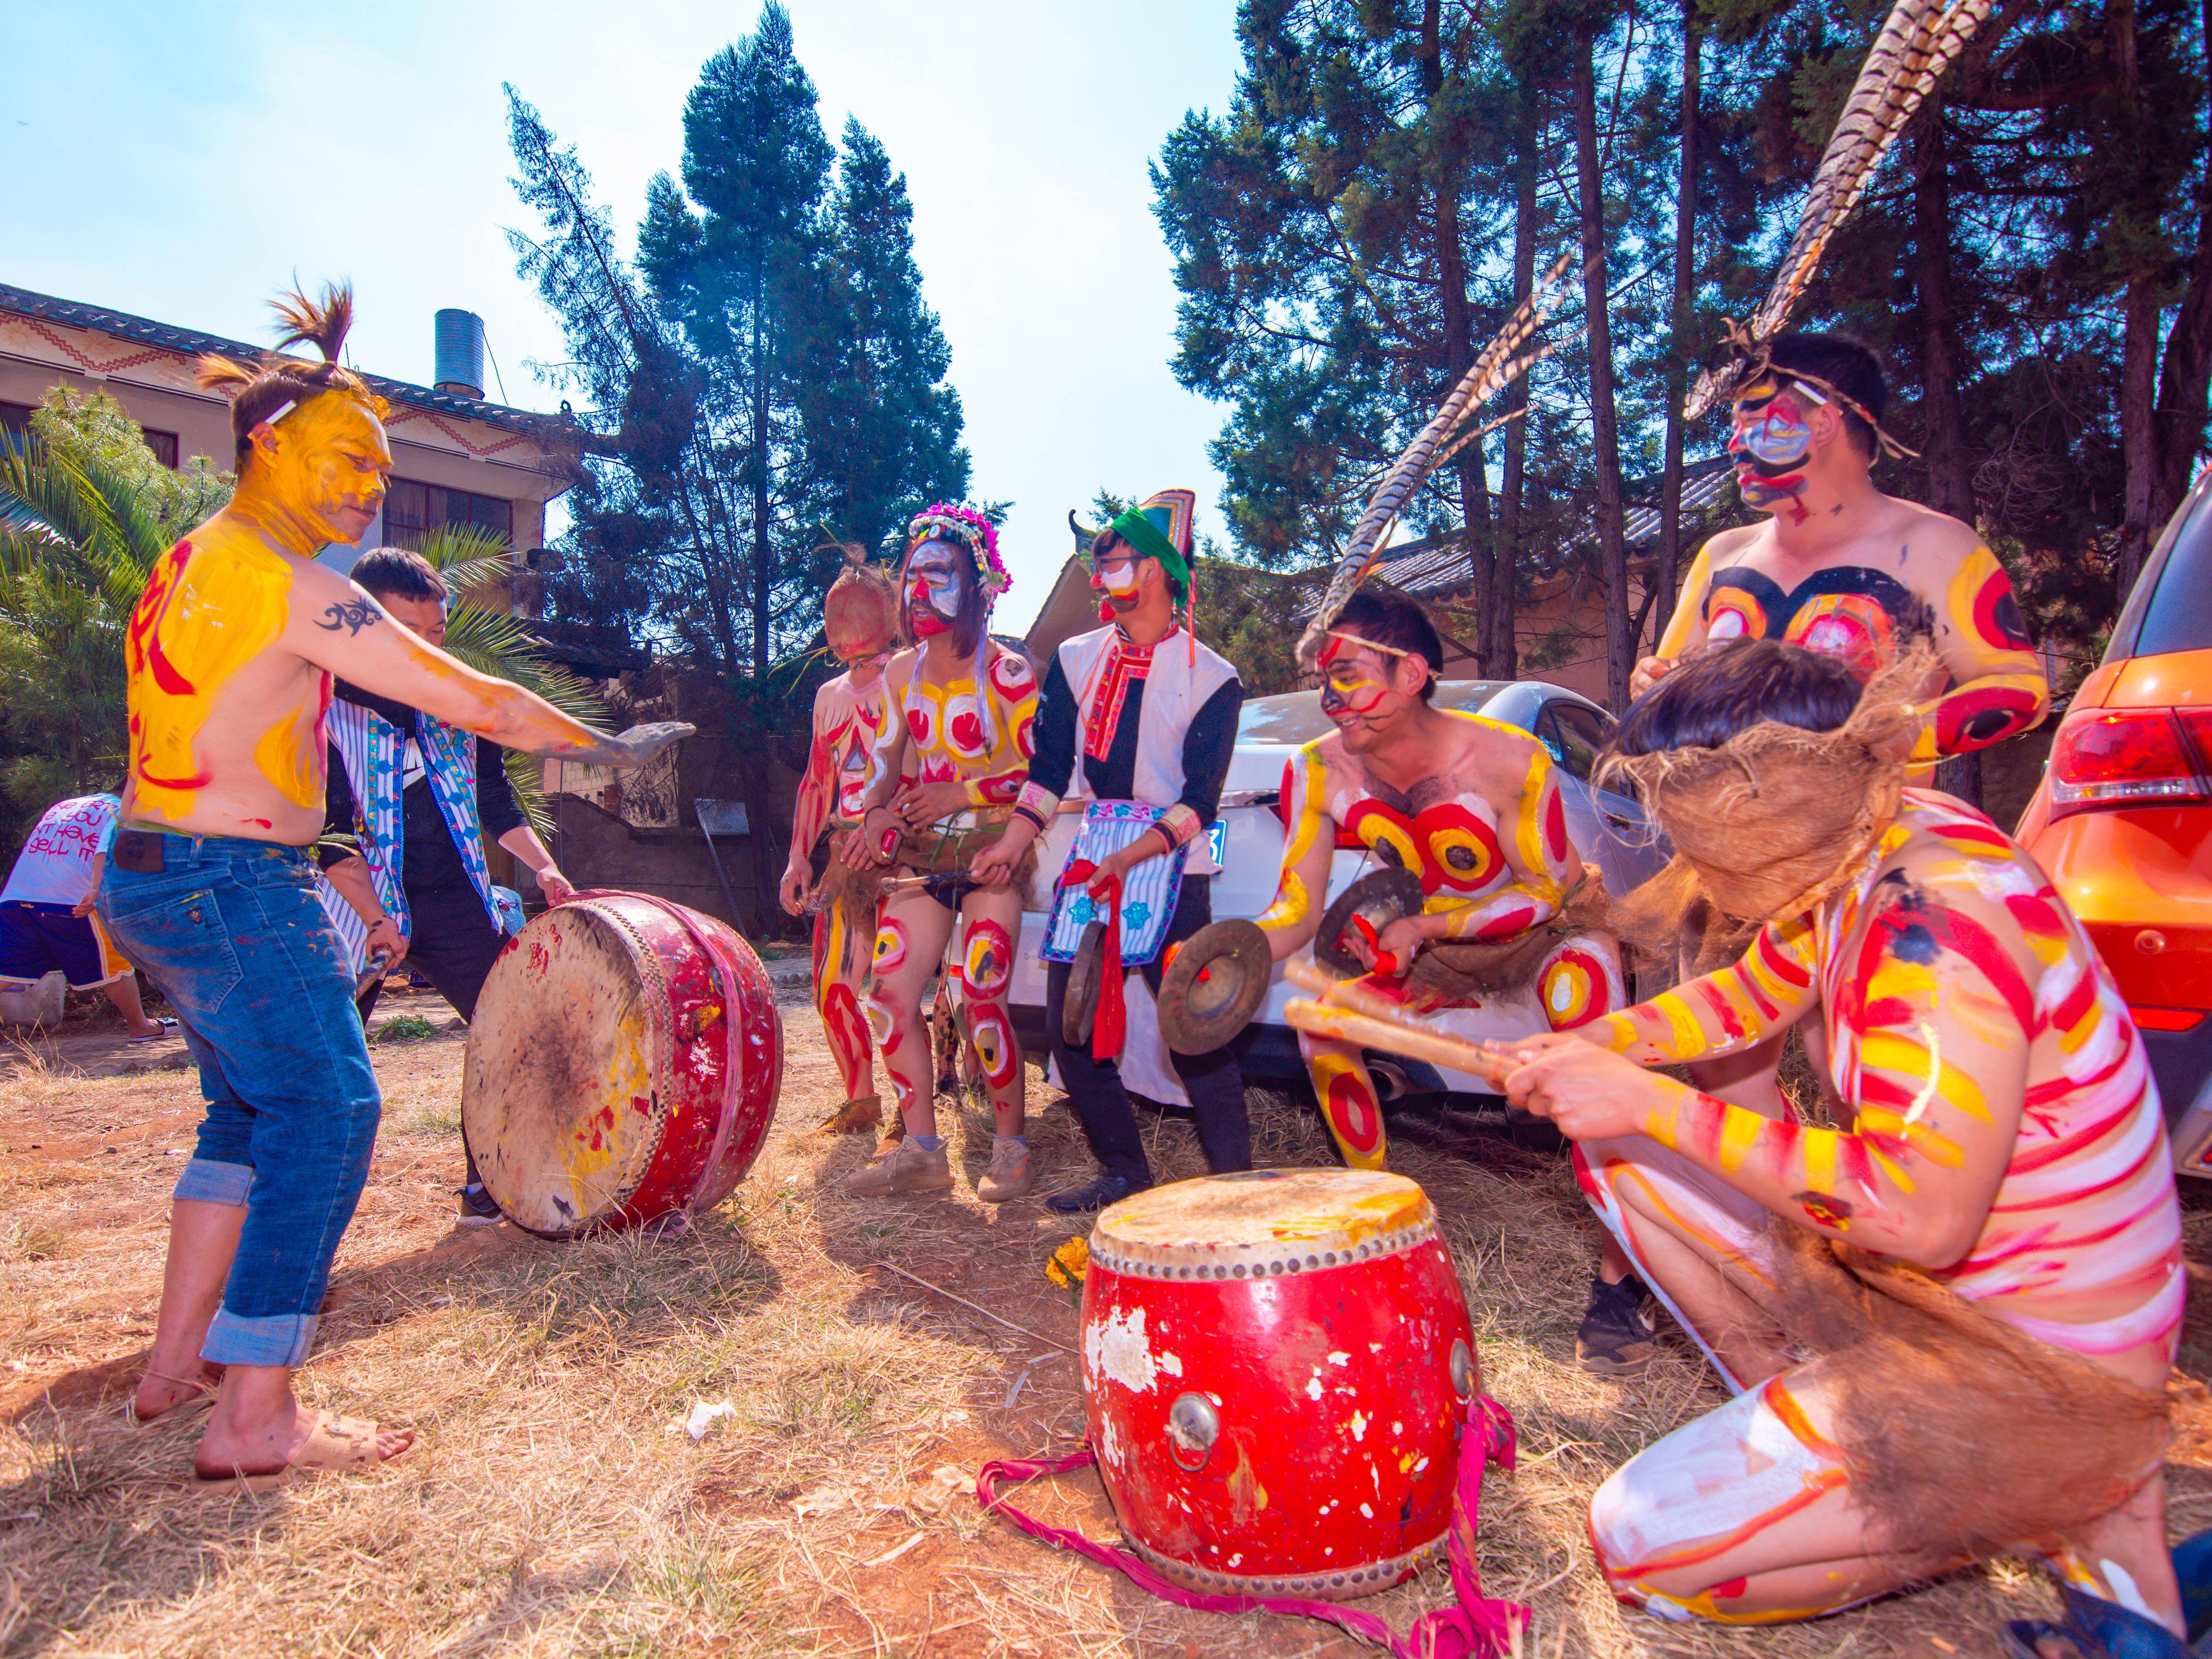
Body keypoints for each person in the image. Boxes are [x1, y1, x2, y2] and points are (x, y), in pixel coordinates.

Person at [103, 284, 689, 1485]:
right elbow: (464, 696)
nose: (370, 485)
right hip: (233, 878)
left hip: (153, 868)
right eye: (350, 458)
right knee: (331, 1112)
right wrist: (607, 747)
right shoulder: (289, 583)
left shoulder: (190, 562)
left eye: (379, 465)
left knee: (246, 1113)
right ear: (268, 442)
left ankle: (175, 1364)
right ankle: (253, 1409)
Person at [1499, 639, 2184, 1637]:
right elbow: (1753, 990)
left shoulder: (1935, 922)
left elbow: (1919, 1213)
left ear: (1765, 803)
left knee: (1636, 1542)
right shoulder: (1865, 833)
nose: (1691, 868)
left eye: (1702, 840)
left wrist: (1645, 1100)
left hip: (2046, 1365)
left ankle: (2049, 1495)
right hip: (1958, 1313)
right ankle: (1836, 1421)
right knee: (1617, 1160)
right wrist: (1611, 1041)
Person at [1605, 329, 2056, 1372]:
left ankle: (1932, 1319)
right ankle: (1783, 1317)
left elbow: (2015, 685)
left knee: (1868, 1084)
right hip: (1723, 870)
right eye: (1731, 416)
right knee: (1724, 1079)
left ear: (1841, 418)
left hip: (1868, 872)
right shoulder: (1721, 558)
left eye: (1764, 410)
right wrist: (1663, 687)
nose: (1737, 435)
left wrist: (1885, 737)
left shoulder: (1930, 545)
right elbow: (1663, 669)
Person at [1253, 588, 1629, 1331]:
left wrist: (1430, 923)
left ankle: (1621, 1279)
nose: (1334, 701)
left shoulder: (1507, 757)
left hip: (1537, 946)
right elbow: (1295, 909)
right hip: (1429, 965)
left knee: (1590, 994)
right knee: (1322, 1022)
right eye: (1325, 681)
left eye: (1351, 677)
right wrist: (1224, 961)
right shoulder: (1316, 770)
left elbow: (1548, 891)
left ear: (1414, 674)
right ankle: (1385, 1229)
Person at [971, 489, 1249, 1214]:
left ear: (1157, 569)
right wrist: (1011, 842)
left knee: (1199, 1030)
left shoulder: (1214, 676)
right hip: (1096, 859)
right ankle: (1125, 1172)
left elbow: (1201, 803)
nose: (1100, 578)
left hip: (1174, 864)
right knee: (1072, 1029)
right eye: (1097, 564)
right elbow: (1049, 769)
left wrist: (1141, 854)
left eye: (1114, 560)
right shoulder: (1073, 659)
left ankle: (1238, 1190)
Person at [311, 546, 576, 1227]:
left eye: (436, 634)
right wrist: (375, 919)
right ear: (359, 621)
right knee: (323, 1073)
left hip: (457, 898)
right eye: (406, 633)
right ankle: (299, 1234)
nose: (425, 649)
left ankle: (491, 1190)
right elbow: (329, 830)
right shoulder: (314, 701)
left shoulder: (458, 699)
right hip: (352, 906)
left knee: (513, 1029)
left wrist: (542, 866)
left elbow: (495, 796)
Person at [837, 504, 1038, 1201]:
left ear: (980, 583)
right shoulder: (900, 674)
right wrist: (875, 817)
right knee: (890, 992)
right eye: (912, 576)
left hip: (995, 855)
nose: (919, 590)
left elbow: (1043, 773)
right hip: (927, 859)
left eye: (939, 574)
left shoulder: (1009, 673)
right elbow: (880, 762)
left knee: (982, 995)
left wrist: (963, 793)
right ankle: (922, 1148)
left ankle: (1012, 1144)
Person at [779, 547, 902, 1141]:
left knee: (894, 989)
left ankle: (915, 1110)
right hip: (845, 859)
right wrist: (799, 856)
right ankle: (861, 1101)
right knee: (834, 988)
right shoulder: (830, 697)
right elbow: (816, 780)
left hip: (907, 856)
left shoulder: (912, 677)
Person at [0, 789, 175, 1042]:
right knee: (115, 962)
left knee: (7, 967)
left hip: (16, 897)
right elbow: (104, 851)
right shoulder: (121, 809)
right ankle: (140, 1026)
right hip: (69, 899)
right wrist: (96, 889)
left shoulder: (65, 805)